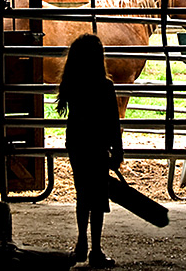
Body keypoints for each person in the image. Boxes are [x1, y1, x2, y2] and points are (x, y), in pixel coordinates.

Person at [57, 33, 124, 269]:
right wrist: (117, 149)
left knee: (82, 193)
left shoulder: (71, 86)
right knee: (98, 198)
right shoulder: (105, 86)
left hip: (76, 144)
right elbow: (113, 121)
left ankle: (81, 241)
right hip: (97, 146)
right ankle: (95, 248)